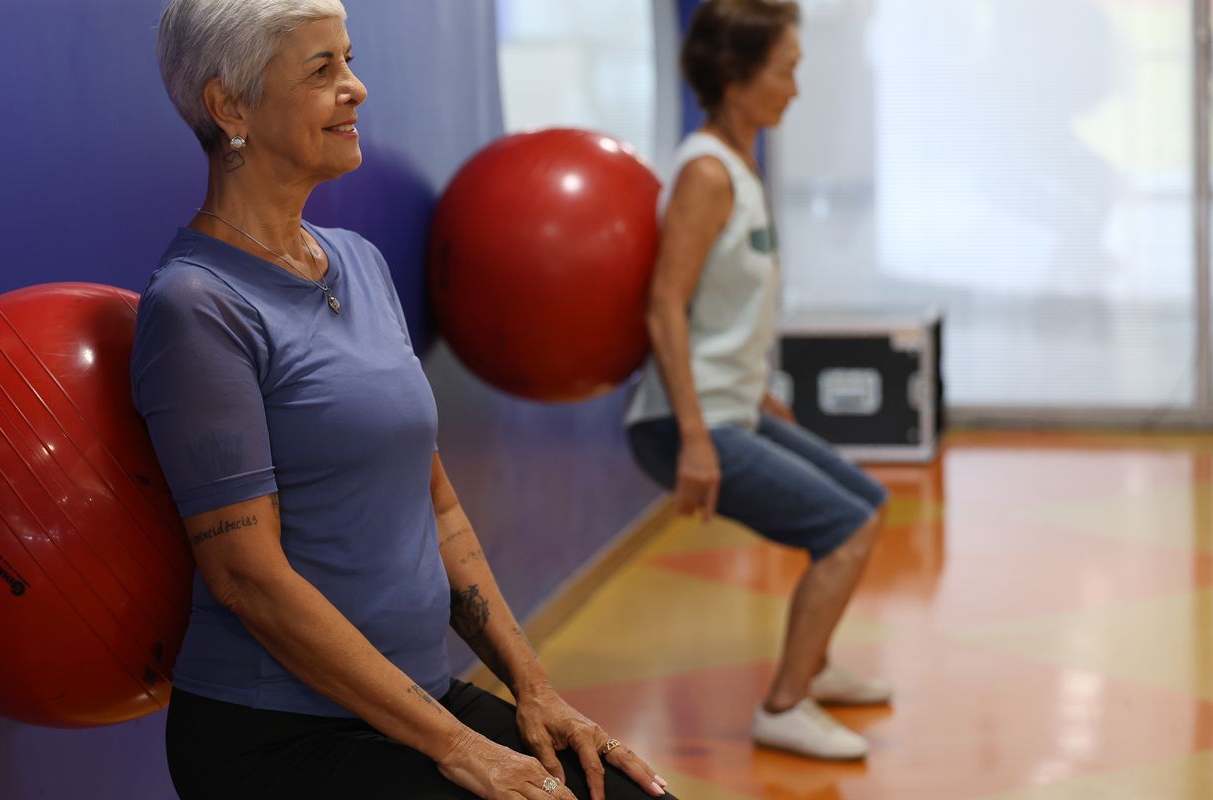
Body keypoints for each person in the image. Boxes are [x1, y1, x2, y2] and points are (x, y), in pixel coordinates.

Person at [133, 2, 674, 797]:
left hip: (416, 700)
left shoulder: (359, 263)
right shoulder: (199, 305)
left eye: (348, 60)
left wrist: (533, 689)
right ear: (230, 106)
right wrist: (460, 750)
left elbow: (440, 510)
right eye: (322, 70)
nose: (355, 87)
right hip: (277, 737)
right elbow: (248, 579)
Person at [626, 0, 891, 762]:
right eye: (786, 71)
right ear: (737, 78)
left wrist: (756, 391)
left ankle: (813, 664)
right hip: (685, 420)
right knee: (843, 531)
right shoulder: (707, 173)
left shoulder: (739, 165)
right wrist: (698, 442)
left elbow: (722, 311)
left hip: (729, 403)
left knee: (867, 501)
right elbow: (665, 310)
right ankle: (785, 703)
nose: (796, 89)